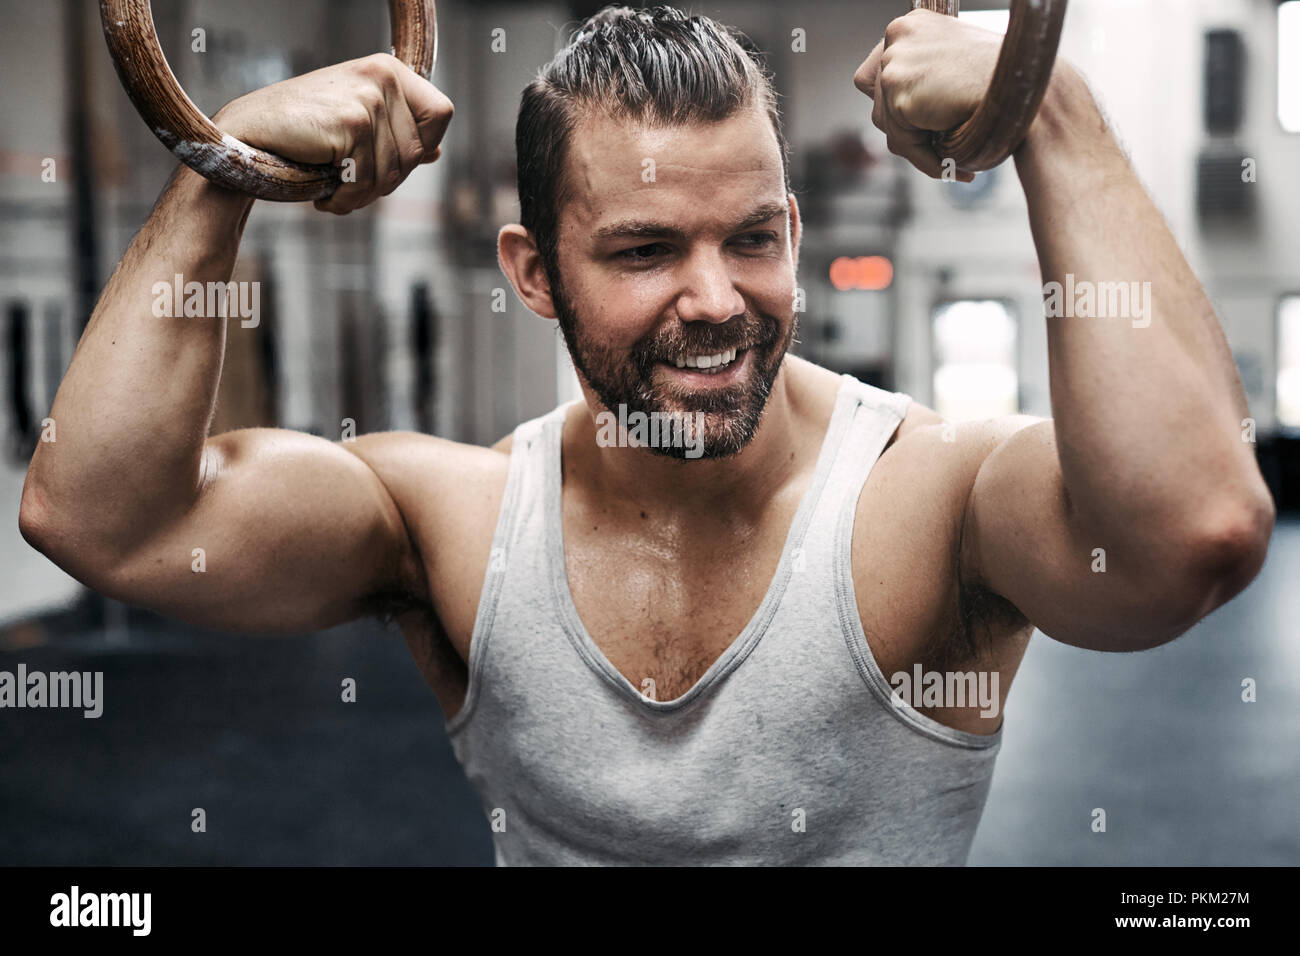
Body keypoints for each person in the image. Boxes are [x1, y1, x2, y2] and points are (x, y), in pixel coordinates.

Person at [20, 5, 1274, 865]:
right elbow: (106, 519)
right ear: (533, 272)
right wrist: (216, 167)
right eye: (643, 251)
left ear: (790, 225)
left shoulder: (929, 499)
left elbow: (1193, 531)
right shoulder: (451, 519)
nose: (718, 300)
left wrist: (1049, 107)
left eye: (751, 238)